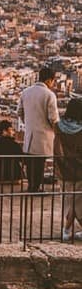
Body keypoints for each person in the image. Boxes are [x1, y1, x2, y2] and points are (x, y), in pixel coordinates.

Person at [18, 67, 60, 193]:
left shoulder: (26, 92)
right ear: (48, 80)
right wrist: (57, 131)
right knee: (40, 162)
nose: (53, 84)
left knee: (31, 162)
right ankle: (36, 188)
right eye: (53, 81)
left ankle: (32, 186)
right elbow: (53, 118)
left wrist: (29, 123)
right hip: (43, 134)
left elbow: (19, 112)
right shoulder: (49, 94)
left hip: (29, 133)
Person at [54, 98, 82, 241]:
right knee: (77, 203)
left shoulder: (58, 127)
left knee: (69, 201)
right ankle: (67, 230)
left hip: (64, 170)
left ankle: (67, 230)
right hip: (79, 171)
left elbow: (56, 150)